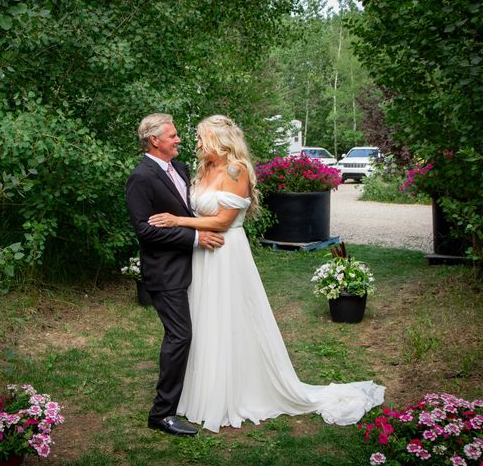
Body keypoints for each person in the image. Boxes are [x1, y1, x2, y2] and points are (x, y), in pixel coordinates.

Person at [149, 115, 385, 433]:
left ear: (220, 140)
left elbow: (221, 221)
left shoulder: (237, 170)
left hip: (227, 252)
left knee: (231, 319)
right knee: (205, 321)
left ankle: (235, 391)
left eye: (203, 137)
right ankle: (200, 391)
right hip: (202, 254)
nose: (198, 143)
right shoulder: (204, 168)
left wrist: (177, 222)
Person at [125, 113, 225, 436]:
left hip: (191, 267)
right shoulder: (141, 177)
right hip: (164, 272)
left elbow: (188, 213)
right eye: (173, 135)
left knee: (191, 332)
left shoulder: (179, 169)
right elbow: (145, 231)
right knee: (180, 336)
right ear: (155, 141)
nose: (178, 139)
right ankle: (162, 413)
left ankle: (189, 398)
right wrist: (195, 238)